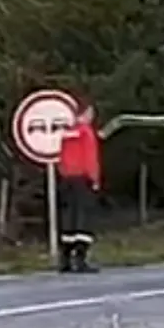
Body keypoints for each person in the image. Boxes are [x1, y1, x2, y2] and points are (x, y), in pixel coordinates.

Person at [57, 100, 102, 273]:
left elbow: (60, 156)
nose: (92, 117)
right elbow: (90, 157)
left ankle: (65, 259)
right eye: (90, 113)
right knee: (84, 219)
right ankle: (81, 259)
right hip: (82, 178)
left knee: (68, 219)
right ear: (84, 113)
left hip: (67, 178)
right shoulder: (85, 132)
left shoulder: (67, 133)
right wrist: (95, 178)